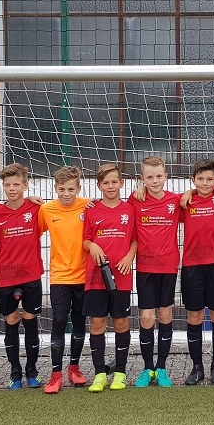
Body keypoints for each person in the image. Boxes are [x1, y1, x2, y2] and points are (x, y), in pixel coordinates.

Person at [82, 163, 138, 392]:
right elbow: (85, 239)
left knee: (121, 322)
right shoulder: (91, 209)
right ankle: (99, 374)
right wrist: (92, 245)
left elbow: (134, 239)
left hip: (121, 275)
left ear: (121, 183)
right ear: (99, 185)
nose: (111, 186)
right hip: (96, 276)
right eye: (106, 183)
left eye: (114, 182)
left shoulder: (129, 210)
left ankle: (121, 373)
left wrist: (129, 257)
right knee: (97, 323)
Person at [128, 156, 182, 388]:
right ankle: (147, 368)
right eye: (149, 177)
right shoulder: (135, 199)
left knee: (166, 314)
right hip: (145, 267)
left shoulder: (176, 200)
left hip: (168, 266)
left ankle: (161, 367)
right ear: (143, 179)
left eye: (159, 176)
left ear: (166, 176)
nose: (155, 181)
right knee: (147, 317)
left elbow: (199, 196)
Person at [0, 163, 44, 390]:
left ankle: (32, 370)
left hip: (31, 273)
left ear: (25, 185)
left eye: (16, 184)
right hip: (5, 275)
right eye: (7, 185)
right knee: (11, 320)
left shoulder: (37, 209)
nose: (12, 189)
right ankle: (15, 372)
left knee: (30, 320)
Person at [39, 166, 90, 394]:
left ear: (78, 188)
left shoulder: (88, 206)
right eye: (62, 189)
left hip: (84, 275)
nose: (66, 193)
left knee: (79, 322)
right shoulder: (46, 209)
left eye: (71, 189)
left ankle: (74, 368)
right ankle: (56, 374)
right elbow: (33, 232)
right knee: (59, 320)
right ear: (55, 188)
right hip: (59, 276)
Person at [178, 159, 214, 385]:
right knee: (195, 316)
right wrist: (188, 193)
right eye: (200, 179)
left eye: (209, 179)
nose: (205, 183)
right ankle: (197, 367)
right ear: (193, 180)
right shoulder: (185, 202)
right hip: (192, 265)